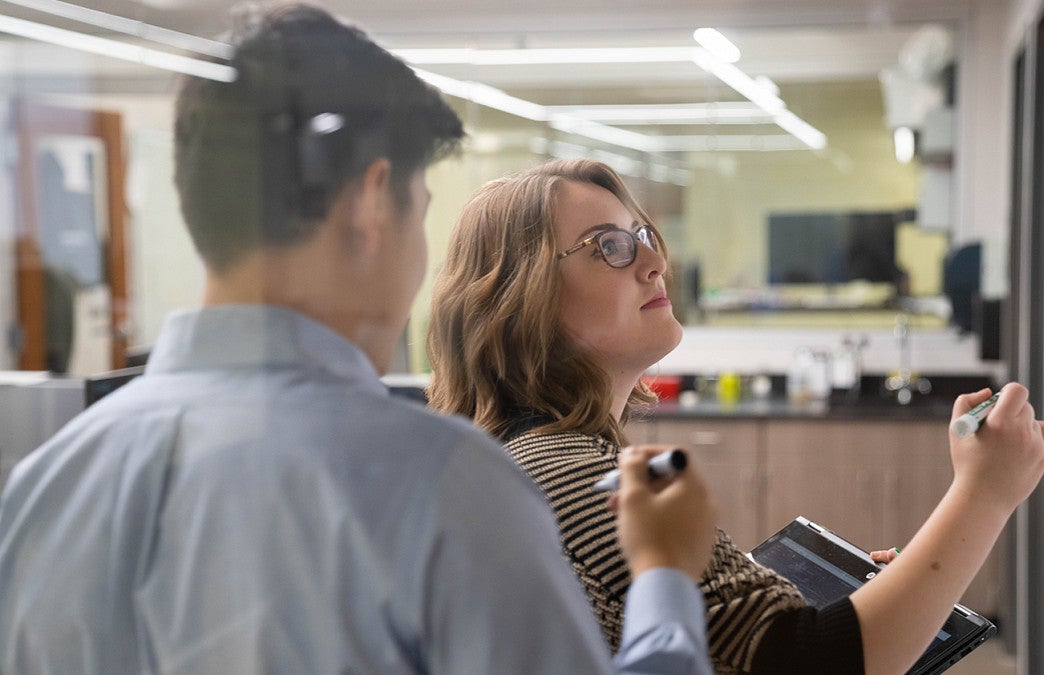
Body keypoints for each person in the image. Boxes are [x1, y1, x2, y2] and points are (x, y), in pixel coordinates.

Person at [0, 8, 718, 674]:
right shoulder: (442, 487)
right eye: (421, 213)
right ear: (374, 203)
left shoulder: (43, 489)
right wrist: (664, 578)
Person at [426, 158, 1044, 675]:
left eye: (644, 238)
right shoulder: (572, 475)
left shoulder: (519, 457)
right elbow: (815, 663)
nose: (654, 263)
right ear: (521, 295)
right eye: (611, 248)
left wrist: (842, 604)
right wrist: (986, 492)